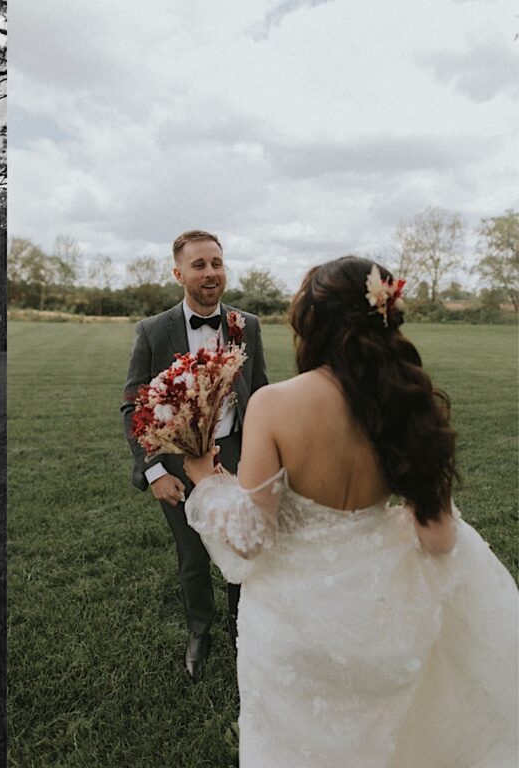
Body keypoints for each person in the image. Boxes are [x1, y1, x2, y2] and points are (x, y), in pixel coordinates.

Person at [183, 256, 518, 766]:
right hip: (387, 618)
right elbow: (440, 540)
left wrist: (207, 483)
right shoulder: (409, 400)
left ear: (311, 323)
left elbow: (251, 538)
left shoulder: (274, 404)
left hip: (291, 627)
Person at [121, 230, 268, 681]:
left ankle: (246, 628)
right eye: (200, 265)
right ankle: (200, 631)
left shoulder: (248, 325)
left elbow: (259, 393)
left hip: (239, 455)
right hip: (178, 464)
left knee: (243, 545)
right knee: (192, 556)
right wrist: (151, 471)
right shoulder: (152, 331)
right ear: (178, 273)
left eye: (217, 263)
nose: (211, 273)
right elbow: (134, 405)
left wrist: (264, 456)